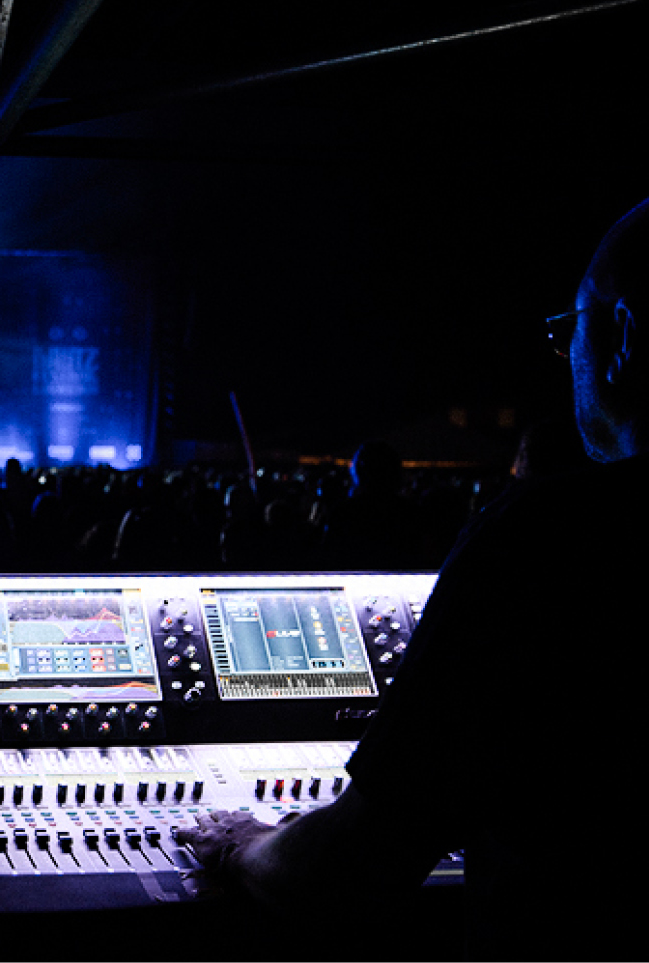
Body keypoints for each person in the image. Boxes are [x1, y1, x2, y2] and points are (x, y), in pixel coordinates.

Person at [173, 197, 649, 961]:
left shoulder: (543, 538)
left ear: (622, 336)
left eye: (573, 327)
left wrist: (240, 842)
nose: (566, 355)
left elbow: (346, 872)